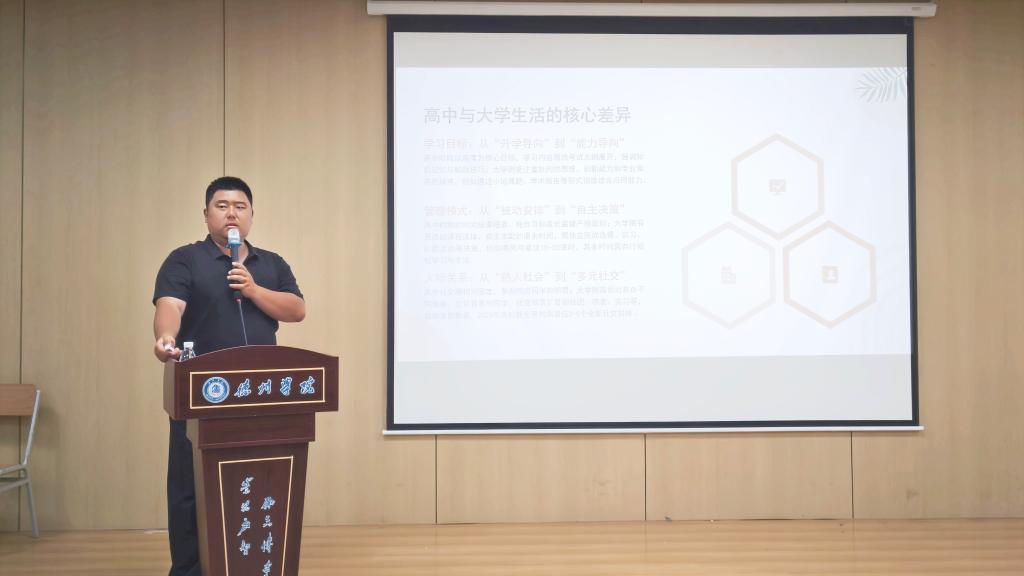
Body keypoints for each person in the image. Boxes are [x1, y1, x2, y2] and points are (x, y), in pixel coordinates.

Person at [152, 176, 305, 576]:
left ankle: (253, 563)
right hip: (203, 393)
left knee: (262, 479)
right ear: (206, 215)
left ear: (252, 215)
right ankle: (190, 569)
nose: (231, 213)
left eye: (240, 206)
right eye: (222, 206)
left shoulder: (271, 264)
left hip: (261, 395)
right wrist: (165, 337)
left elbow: (296, 309)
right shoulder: (185, 259)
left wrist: (253, 290)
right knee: (190, 486)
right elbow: (170, 305)